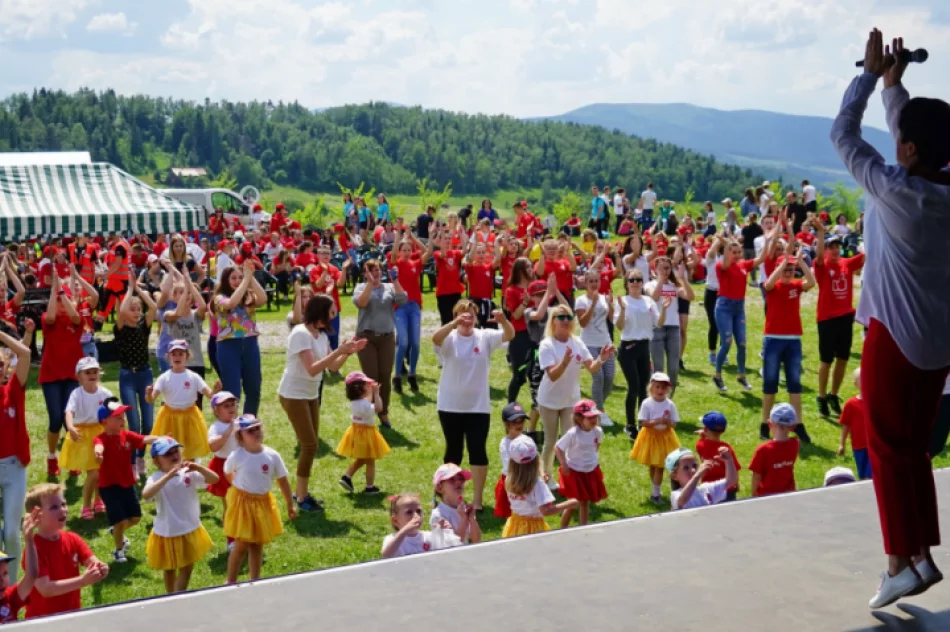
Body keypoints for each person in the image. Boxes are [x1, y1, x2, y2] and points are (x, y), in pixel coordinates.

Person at [279, 295, 365, 512]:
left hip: (309, 394)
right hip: (293, 394)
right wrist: (339, 350)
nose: (334, 314)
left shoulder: (320, 335)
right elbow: (312, 368)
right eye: (332, 310)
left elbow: (333, 367)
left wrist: (347, 353)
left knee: (311, 444)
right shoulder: (300, 334)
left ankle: (302, 493)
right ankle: (301, 497)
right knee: (309, 445)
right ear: (321, 312)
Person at [433, 301, 514, 510]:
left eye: (470, 315)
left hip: (478, 406)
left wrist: (504, 321)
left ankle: (477, 501)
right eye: (462, 314)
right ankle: (449, 498)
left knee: (478, 451)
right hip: (450, 405)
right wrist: (453, 323)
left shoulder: (484, 336)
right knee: (454, 451)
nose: (467, 318)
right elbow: (435, 339)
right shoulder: (449, 338)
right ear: (455, 316)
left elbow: (509, 335)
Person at [536, 305, 614, 490]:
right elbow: (552, 375)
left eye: (568, 317)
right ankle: (546, 478)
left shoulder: (577, 341)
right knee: (550, 441)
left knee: (572, 439)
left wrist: (602, 358)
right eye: (561, 317)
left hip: (571, 400)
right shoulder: (547, 344)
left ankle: (570, 478)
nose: (565, 320)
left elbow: (592, 368)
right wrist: (564, 362)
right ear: (553, 321)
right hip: (549, 400)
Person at [224, 415, 295, 583]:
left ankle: (255, 581)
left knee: (257, 544)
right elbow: (227, 471)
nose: (256, 432)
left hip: (262, 503)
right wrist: (235, 484)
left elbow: (282, 481)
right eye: (250, 430)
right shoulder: (237, 456)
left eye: (258, 428)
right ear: (240, 437)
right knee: (241, 544)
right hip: (244, 504)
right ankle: (230, 581)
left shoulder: (272, 456)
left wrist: (290, 505)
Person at [142, 437, 217, 594]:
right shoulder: (155, 478)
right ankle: (171, 596)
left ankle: (178, 595)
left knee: (187, 566)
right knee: (169, 568)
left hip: (189, 528)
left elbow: (214, 479)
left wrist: (199, 468)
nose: (174, 456)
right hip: (167, 531)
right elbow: (146, 495)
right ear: (157, 461)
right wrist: (168, 476)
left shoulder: (188, 473)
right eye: (168, 454)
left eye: (176, 451)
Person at [22, 483, 108, 619]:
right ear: (36, 516)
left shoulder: (73, 539)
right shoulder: (34, 549)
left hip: (72, 615)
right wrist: (83, 581)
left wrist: (100, 568)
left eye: (63, 504)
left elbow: (91, 561)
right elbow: (46, 589)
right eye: (54, 507)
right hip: (42, 621)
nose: (63, 510)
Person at [94, 398, 159, 563]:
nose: (123, 420)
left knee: (136, 517)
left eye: (123, 417)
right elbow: (98, 446)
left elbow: (143, 439)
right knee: (120, 520)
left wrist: (161, 438)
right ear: (105, 421)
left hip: (127, 483)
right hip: (109, 486)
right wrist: (99, 453)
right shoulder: (100, 438)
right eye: (118, 418)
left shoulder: (127, 435)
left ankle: (117, 531)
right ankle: (119, 549)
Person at [760, 253, 816, 443]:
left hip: (793, 339)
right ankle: (764, 423)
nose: (788, 273)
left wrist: (801, 263)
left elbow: (812, 282)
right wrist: (782, 264)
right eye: (785, 269)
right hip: (773, 339)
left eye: (791, 270)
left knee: (794, 383)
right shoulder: (772, 286)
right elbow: (768, 284)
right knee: (770, 383)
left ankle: (798, 424)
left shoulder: (796, 286)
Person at [812, 220, 865, 418]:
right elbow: (817, 256)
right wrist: (819, 232)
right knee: (826, 360)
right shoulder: (821, 266)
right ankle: (822, 396)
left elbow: (866, 256)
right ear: (825, 251)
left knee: (843, 358)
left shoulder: (846, 264)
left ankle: (834, 394)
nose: (835, 250)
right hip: (826, 318)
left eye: (837, 247)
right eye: (831, 247)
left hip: (845, 316)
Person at [615, 270, 670, 441]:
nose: (635, 283)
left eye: (639, 279)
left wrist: (665, 309)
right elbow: (619, 326)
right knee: (633, 386)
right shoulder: (623, 301)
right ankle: (630, 425)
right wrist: (623, 310)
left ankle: (642, 423)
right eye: (632, 280)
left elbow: (659, 323)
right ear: (627, 283)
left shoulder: (648, 301)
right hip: (628, 347)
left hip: (644, 346)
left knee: (644, 388)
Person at [39, 272, 84, 477]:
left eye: (63, 299)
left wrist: (61, 293)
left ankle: (72, 458)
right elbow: (49, 316)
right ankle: (51, 457)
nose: (60, 304)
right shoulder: (48, 321)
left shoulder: (76, 320)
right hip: (50, 375)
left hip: (71, 375)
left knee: (70, 420)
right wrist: (54, 292)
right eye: (57, 301)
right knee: (55, 419)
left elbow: (74, 315)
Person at [353, 259, 407, 429]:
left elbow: (403, 299)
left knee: (384, 375)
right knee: (371, 377)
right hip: (366, 337)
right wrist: (370, 284)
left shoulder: (389, 287)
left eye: (378, 269)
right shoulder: (361, 288)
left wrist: (396, 280)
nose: (376, 273)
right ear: (364, 273)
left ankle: (383, 412)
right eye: (371, 270)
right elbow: (361, 303)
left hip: (387, 337)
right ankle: (367, 411)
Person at [114, 270, 158, 479]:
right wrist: (130, 289)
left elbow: (154, 307)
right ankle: (131, 462)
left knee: (148, 423)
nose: (136, 312)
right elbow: (121, 313)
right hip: (127, 377)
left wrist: (140, 290)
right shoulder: (121, 328)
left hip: (145, 375)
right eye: (133, 308)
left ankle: (140, 458)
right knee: (133, 423)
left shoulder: (144, 327)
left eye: (138, 308)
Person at [214, 262, 267, 416]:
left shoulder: (248, 296)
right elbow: (231, 303)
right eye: (233, 278)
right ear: (225, 280)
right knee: (232, 392)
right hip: (228, 346)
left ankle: (248, 424)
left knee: (254, 388)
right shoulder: (219, 298)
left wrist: (251, 278)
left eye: (240, 277)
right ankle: (230, 426)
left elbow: (263, 299)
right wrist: (245, 281)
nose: (237, 280)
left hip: (250, 344)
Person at [0, 326, 31, 583]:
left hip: (14, 468)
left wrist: (0, 334)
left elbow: (25, 353)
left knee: (11, 532)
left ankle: (9, 588)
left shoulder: (13, 390)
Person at [61, 357, 110, 520]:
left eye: (95, 371)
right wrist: (70, 427)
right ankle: (86, 505)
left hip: (101, 432)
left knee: (101, 470)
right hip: (84, 435)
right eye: (87, 372)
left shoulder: (105, 393)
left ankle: (99, 499)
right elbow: (69, 412)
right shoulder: (77, 394)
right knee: (94, 471)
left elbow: (114, 410)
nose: (92, 375)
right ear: (79, 376)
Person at [503, 435, 577, 538]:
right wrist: (569, 503)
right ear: (536, 459)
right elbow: (546, 510)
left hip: (515, 524)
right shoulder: (537, 484)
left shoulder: (509, 479)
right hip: (533, 528)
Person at [711, 237, 760, 392]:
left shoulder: (743, 265)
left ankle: (741, 375)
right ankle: (717, 375)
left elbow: (762, 258)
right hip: (724, 307)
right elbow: (726, 262)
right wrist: (725, 246)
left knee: (742, 343)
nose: (738, 255)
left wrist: (771, 239)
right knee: (726, 342)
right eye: (735, 252)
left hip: (739, 308)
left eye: (740, 252)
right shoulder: (721, 266)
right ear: (728, 253)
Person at [630, 372, 681, 504]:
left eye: (663, 388)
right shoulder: (647, 403)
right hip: (651, 437)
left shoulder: (670, 404)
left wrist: (667, 422)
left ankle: (655, 494)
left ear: (668, 390)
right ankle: (655, 490)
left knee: (660, 466)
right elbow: (643, 422)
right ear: (651, 388)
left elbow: (674, 423)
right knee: (653, 465)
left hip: (665, 438)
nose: (660, 390)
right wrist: (657, 421)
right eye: (657, 387)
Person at [337, 371, 390, 495]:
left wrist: (371, 392)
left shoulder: (355, 403)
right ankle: (369, 487)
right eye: (366, 385)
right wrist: (376, 393)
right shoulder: (366, 405)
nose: (369, 386)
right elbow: (379, 408)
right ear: (359, 389)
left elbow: (367, 401)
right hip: (367, 434)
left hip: (356, 431)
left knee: (361, 459)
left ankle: (347, 477)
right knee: (370, 461)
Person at [555, 400, 607, 527]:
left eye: (595, 416)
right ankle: (562, 528)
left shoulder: (597, 431)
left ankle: (583, 527)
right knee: (573, 502)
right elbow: (558, 447)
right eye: (589, 417)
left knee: (585, 501)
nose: (593, 420)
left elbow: (596, 444)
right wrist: (564, 465)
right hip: (574, 471)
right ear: (578, 419)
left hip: (590, 471)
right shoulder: (573, 433)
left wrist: (593, 459)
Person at [574, 270, 616, 426]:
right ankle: (601, 413)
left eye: (596, 281)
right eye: (590, 281)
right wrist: (592, 304)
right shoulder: (581, 300)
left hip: (605, 342)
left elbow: (611, 320)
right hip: (589, 344)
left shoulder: (604, 299)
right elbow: (583, 323)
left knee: (610, 378)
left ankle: (595, 406)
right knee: (598, 377)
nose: (593, 284)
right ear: (585, 283)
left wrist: (610, 304)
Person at [645, 255, 693, 390]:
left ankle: (668, 399)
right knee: (658, 368)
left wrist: (683, 279)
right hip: (656, 329)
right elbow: (654, 297)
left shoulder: (675, 287)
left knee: (673, 368)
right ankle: (655, 397)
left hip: (673, 329)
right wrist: (660, 279)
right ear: (655, 268)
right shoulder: (649, 284)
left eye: (668, 268)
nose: (666, 271)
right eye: (663, 268)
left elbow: (690, 297)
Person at [390, 227, 424, 393]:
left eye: (409, 249)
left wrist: (414, 237)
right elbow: (394, 253)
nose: (406, 252)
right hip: (400, 307)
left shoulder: (415, 264)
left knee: (416, 344)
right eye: (404, 249)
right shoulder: (396, 263)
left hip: (414, 306)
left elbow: (427, 251)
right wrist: (398, 236)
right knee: (403, 343)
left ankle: (412, 375)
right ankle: (396, 377)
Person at [381, 493, 462, 559]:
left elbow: (447, 552)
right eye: (409, 512)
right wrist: (404, 531)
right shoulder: (392, 539)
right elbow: (386, 555)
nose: (416, 515)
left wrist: (445, 532)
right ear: (395, 520)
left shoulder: (428, 536)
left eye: (419, 511)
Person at [207, 392, 239, 553]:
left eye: (233, 404)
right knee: (230, 505)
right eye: (226, 406)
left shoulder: (240, 423)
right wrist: (229, 431)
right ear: (216, 411)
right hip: (223, 467)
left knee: (243, 503)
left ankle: (244, 534)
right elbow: (213, 446)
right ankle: (231, 540)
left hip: (240, 467)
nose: (231, 408)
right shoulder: (216, 427)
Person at [749, 403, 799, 497]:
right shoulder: (795, 444)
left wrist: (753, 494)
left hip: (766, 495)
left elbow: (756, 476)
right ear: (792, 427)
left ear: (770, 424)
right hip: (788, 493)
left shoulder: (763, 450)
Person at [666, 446, 737, 511]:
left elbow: (731, 481)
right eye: (686, 468)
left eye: (694, 466)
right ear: (674, 476)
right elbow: (683, 500)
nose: (693, 470)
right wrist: (697, 475)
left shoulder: (706, 489)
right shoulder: (676, 494)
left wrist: (729, 460)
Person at [0, 507, 39, 624]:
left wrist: (29, 539)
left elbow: (31, 575)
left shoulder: (10, 598)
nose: (2, 580)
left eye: (5, 573)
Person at [694, 412, 741, 501]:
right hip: (727, 487)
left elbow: (701, 445)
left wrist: (702, 437)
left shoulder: (700, 445)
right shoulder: (726, 449)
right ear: (723, 430)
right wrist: (736, 484)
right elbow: (735, 468)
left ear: (705, 429)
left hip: (709, 488)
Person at [430, 464, 481, 544]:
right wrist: (464, 520)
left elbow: (476, 539)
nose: (458, 482)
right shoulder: (438, 515)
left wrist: (471, 519)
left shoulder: (464, 509)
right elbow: (454, 544)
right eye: (451, 479)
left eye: (461, 479)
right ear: (440, 488)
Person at [495, 402, 527, 519]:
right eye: (515, 421)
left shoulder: (526, 440)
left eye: (521, 421)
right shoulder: (505, 443)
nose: (519, 424)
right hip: (511, 480)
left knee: (525, 510)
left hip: (526, 477)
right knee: (512, 513)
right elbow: (509, 465)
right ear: (506, 424)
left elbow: (535, 456)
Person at [838, 369, 871, 480]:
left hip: (874, 446)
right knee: (862, 475)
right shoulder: (851, 404)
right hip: (858, 446)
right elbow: (845, 425)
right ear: (855, 383)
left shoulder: (876, 402)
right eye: (861, 379)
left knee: (870, 475)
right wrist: (842, 444)